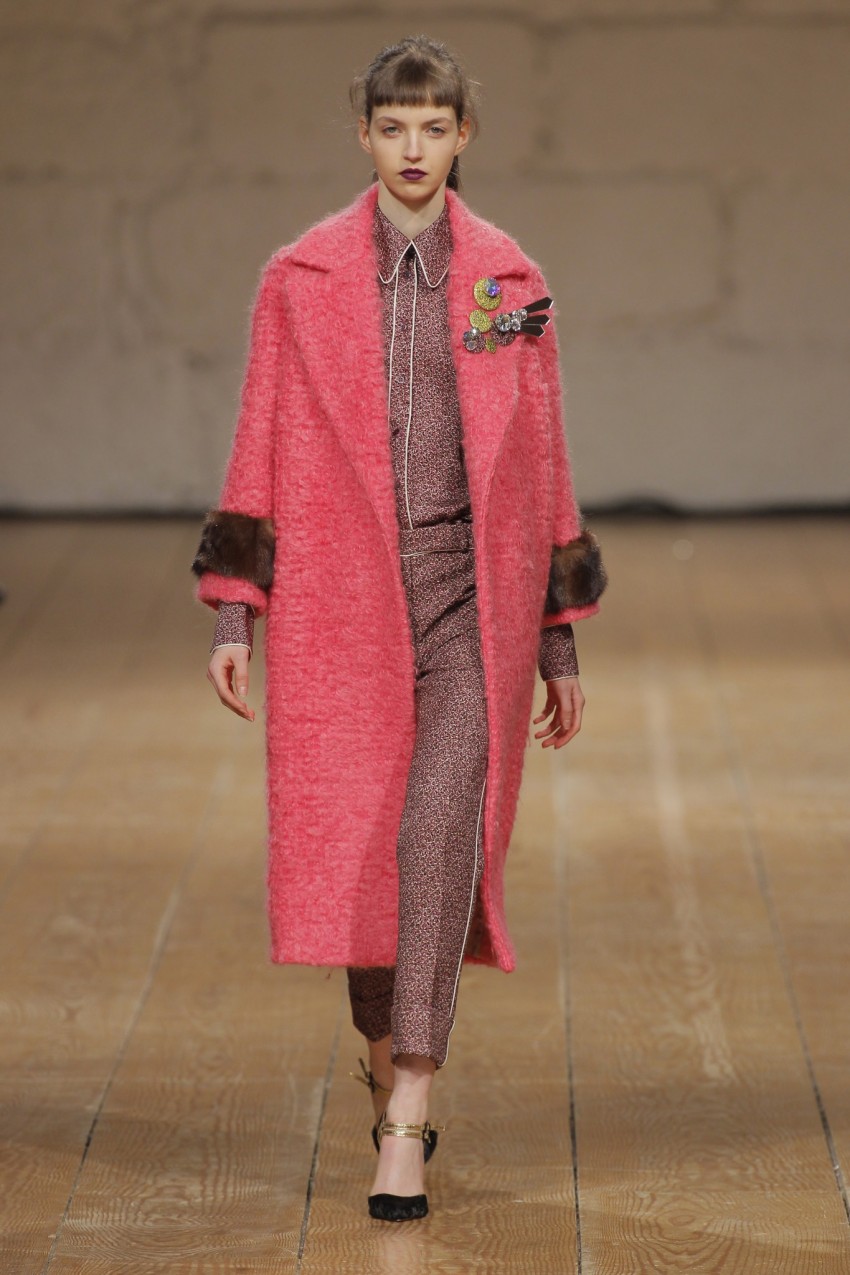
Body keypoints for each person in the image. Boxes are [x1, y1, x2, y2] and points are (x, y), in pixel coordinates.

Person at [191, 35, 607, 1222]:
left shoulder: (510, 281)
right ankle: (385, 1062)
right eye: (392, 127)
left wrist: (557, 637)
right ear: (364, 136)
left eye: (433, 127)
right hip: (342, 603)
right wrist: (235, 612)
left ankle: (409, 1110)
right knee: (369, 858)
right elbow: (260, 435)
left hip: (472, 601)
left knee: (436, 836)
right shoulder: (299, 278)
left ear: (463, 135)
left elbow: (545, 458)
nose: (413, 148)